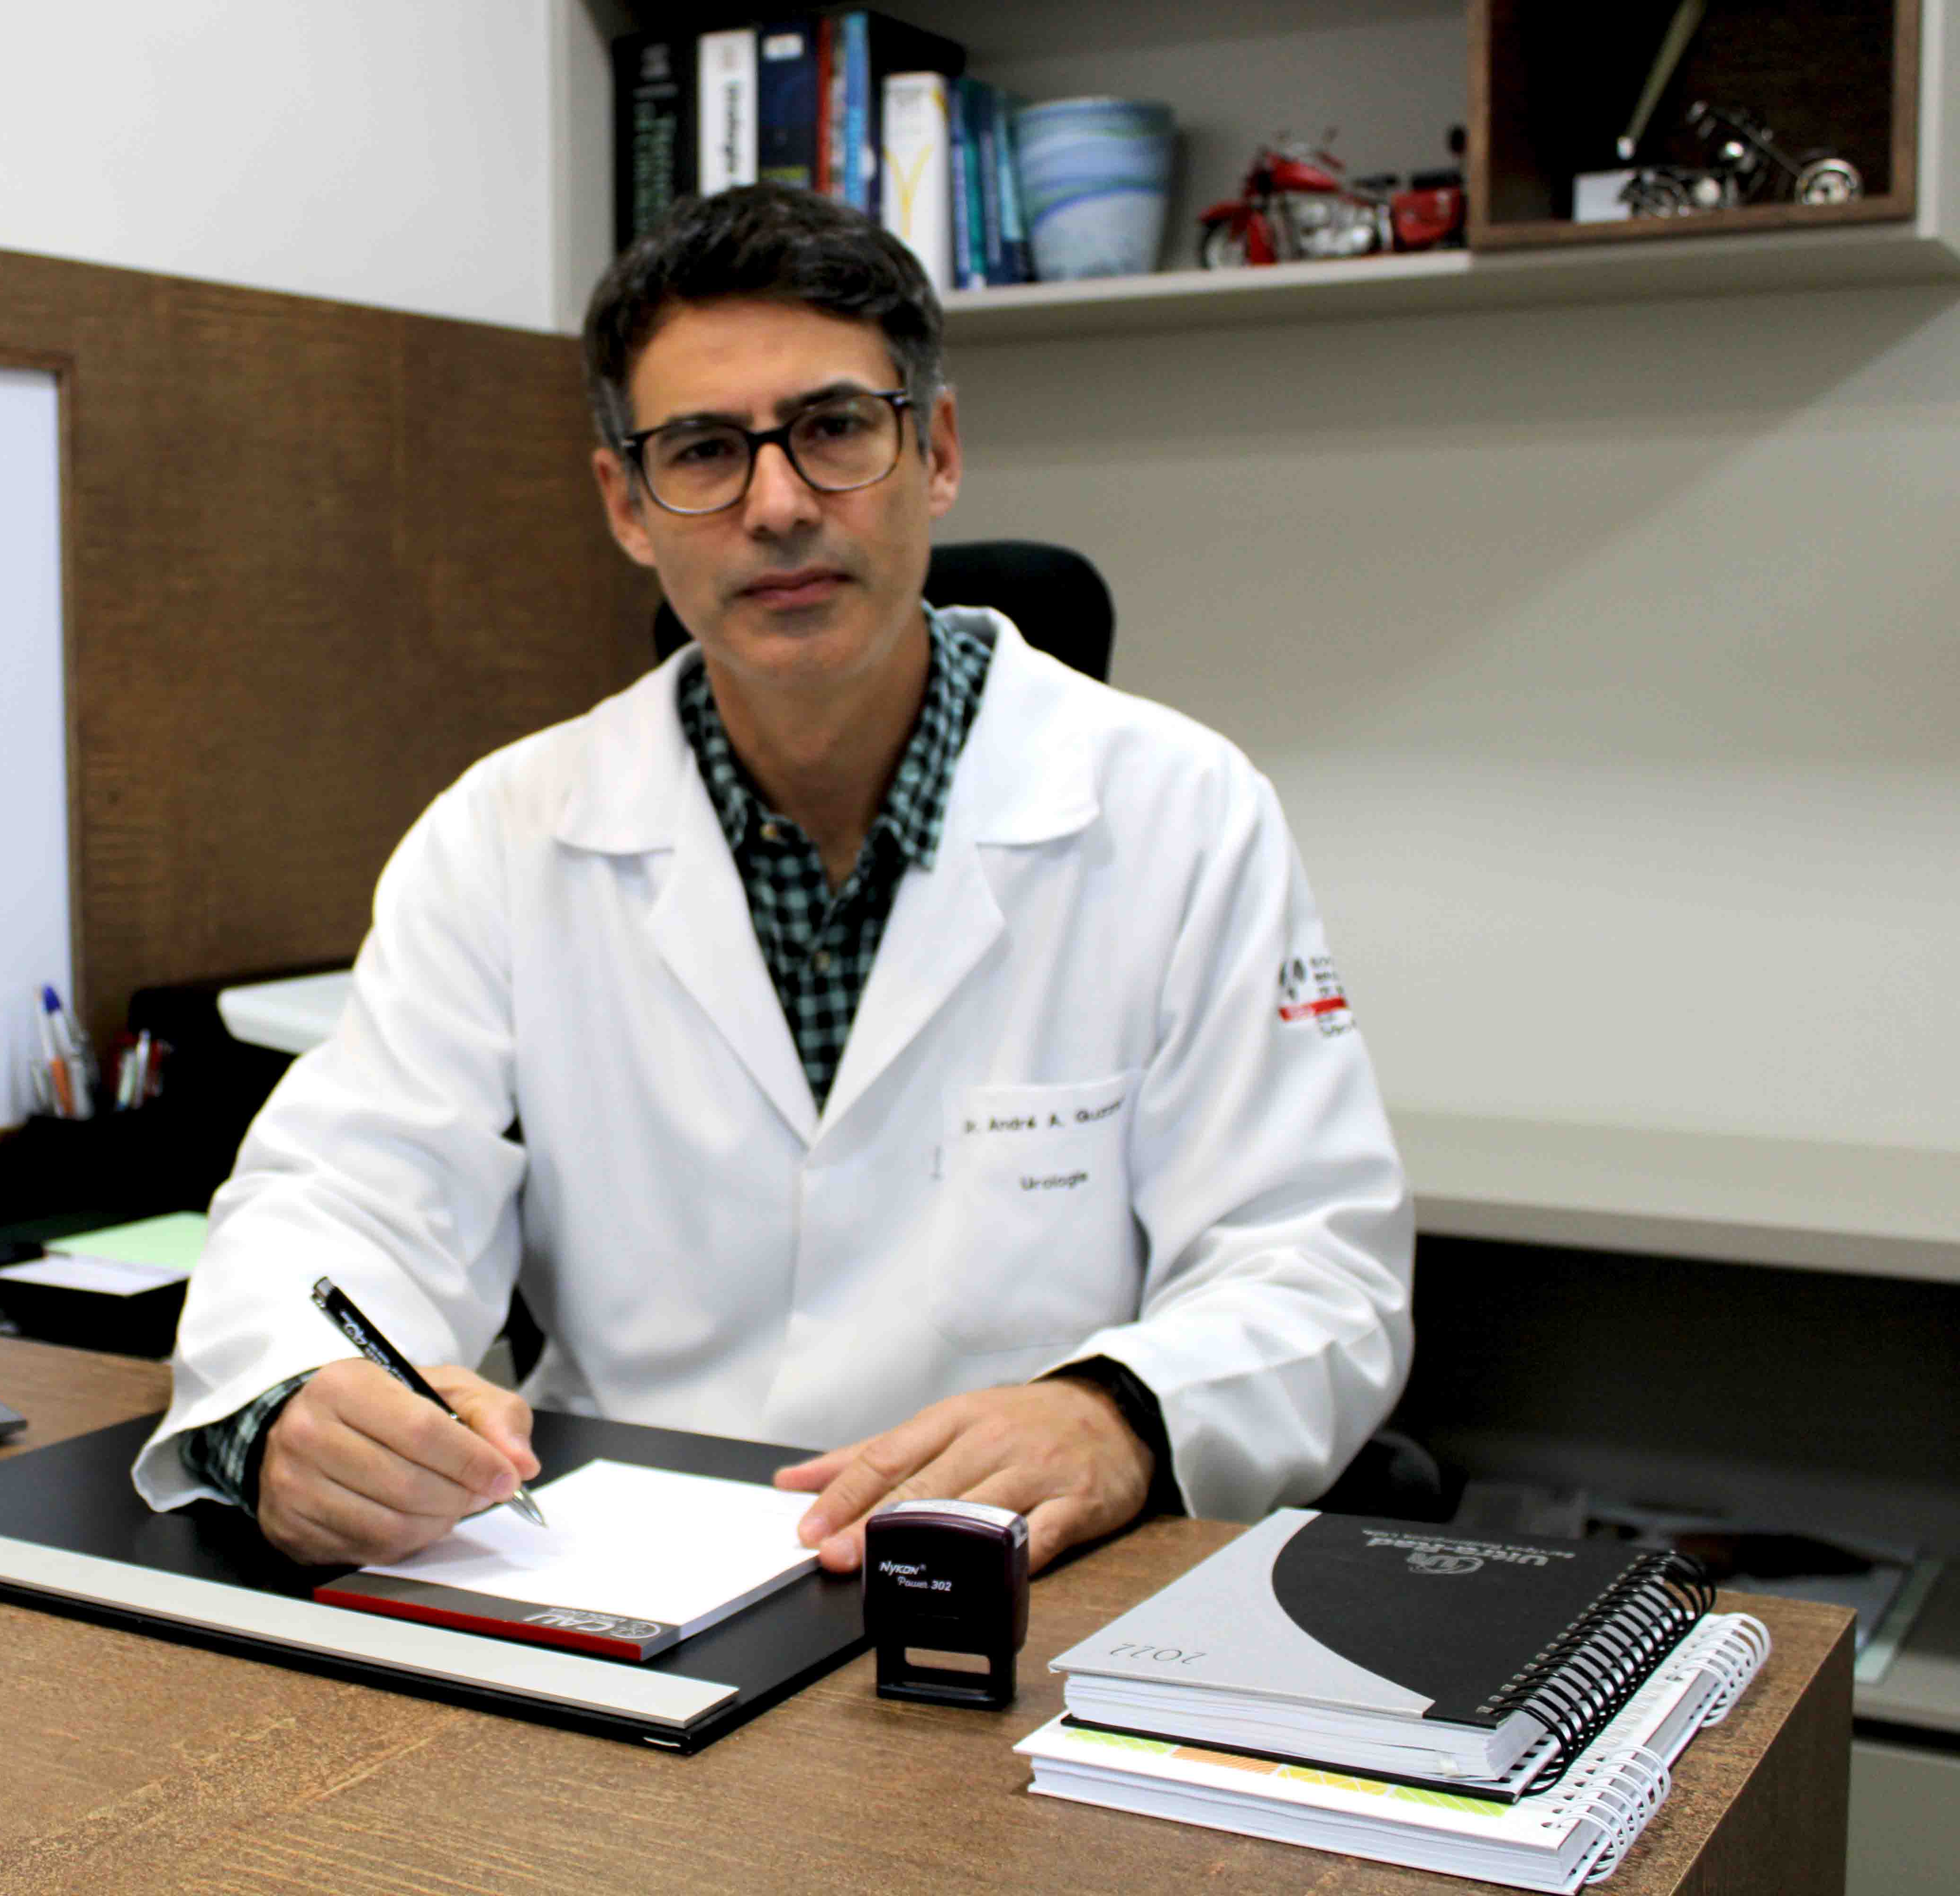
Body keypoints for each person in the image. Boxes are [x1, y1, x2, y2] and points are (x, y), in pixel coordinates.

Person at [134, 183, 1411, 1575]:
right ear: (627, 504)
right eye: (703, 452)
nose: (780, 505)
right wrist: (299, 1404)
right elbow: (340, 1197)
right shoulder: (504, 834)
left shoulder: (1176, 811)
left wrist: (1118, 1415)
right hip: (612, 1581)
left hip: (1012, 1583)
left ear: (936, 452)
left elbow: (1314, 1264)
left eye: (835, 429)